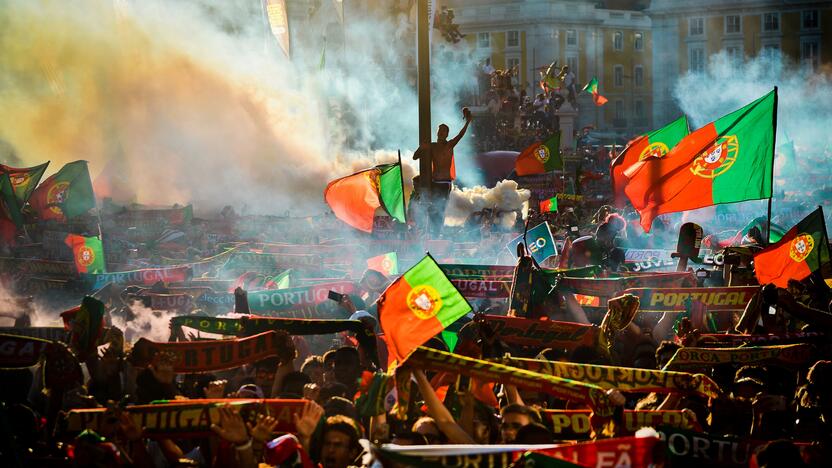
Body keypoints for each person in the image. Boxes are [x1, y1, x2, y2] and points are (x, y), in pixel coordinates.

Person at [413, 107, 473, 236]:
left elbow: (460, 135)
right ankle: (428, 231)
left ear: (446, 134)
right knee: (431, 206)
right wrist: (421, 147)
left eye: (443, 131)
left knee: (440, 208)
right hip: (434, 182)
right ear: (437, 133)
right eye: (439, 131)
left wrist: (467, 122)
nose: (441, 133)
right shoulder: (432, 145)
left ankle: (437, 232)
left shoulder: (449, 145)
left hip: (445, 183)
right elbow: (415, 156)